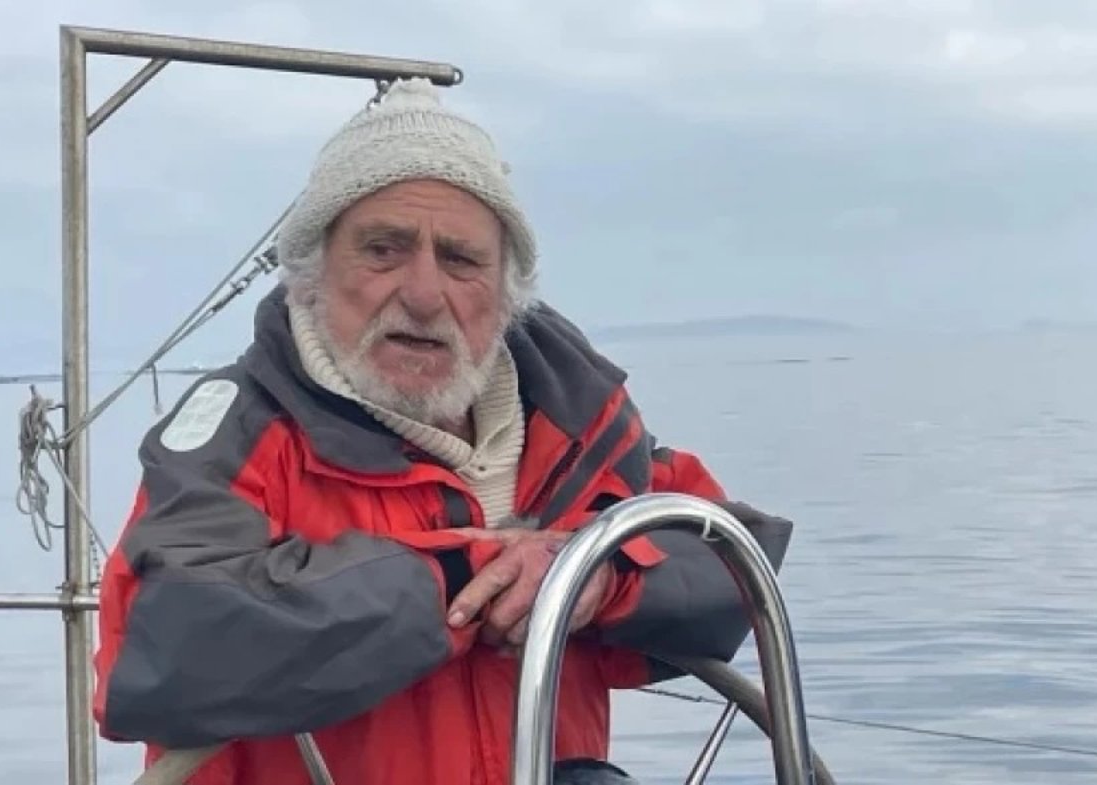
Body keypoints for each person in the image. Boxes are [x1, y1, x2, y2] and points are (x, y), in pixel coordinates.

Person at [92, 78, 793, 785]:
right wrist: (465, 575)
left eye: (461, 259)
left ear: (507, 291)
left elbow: (730, 563)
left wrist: (596, 575)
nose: (425, 295)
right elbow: (162, 645)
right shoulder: (239, 436)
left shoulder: (580, 426)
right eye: (384, 250)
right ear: (310, 272)